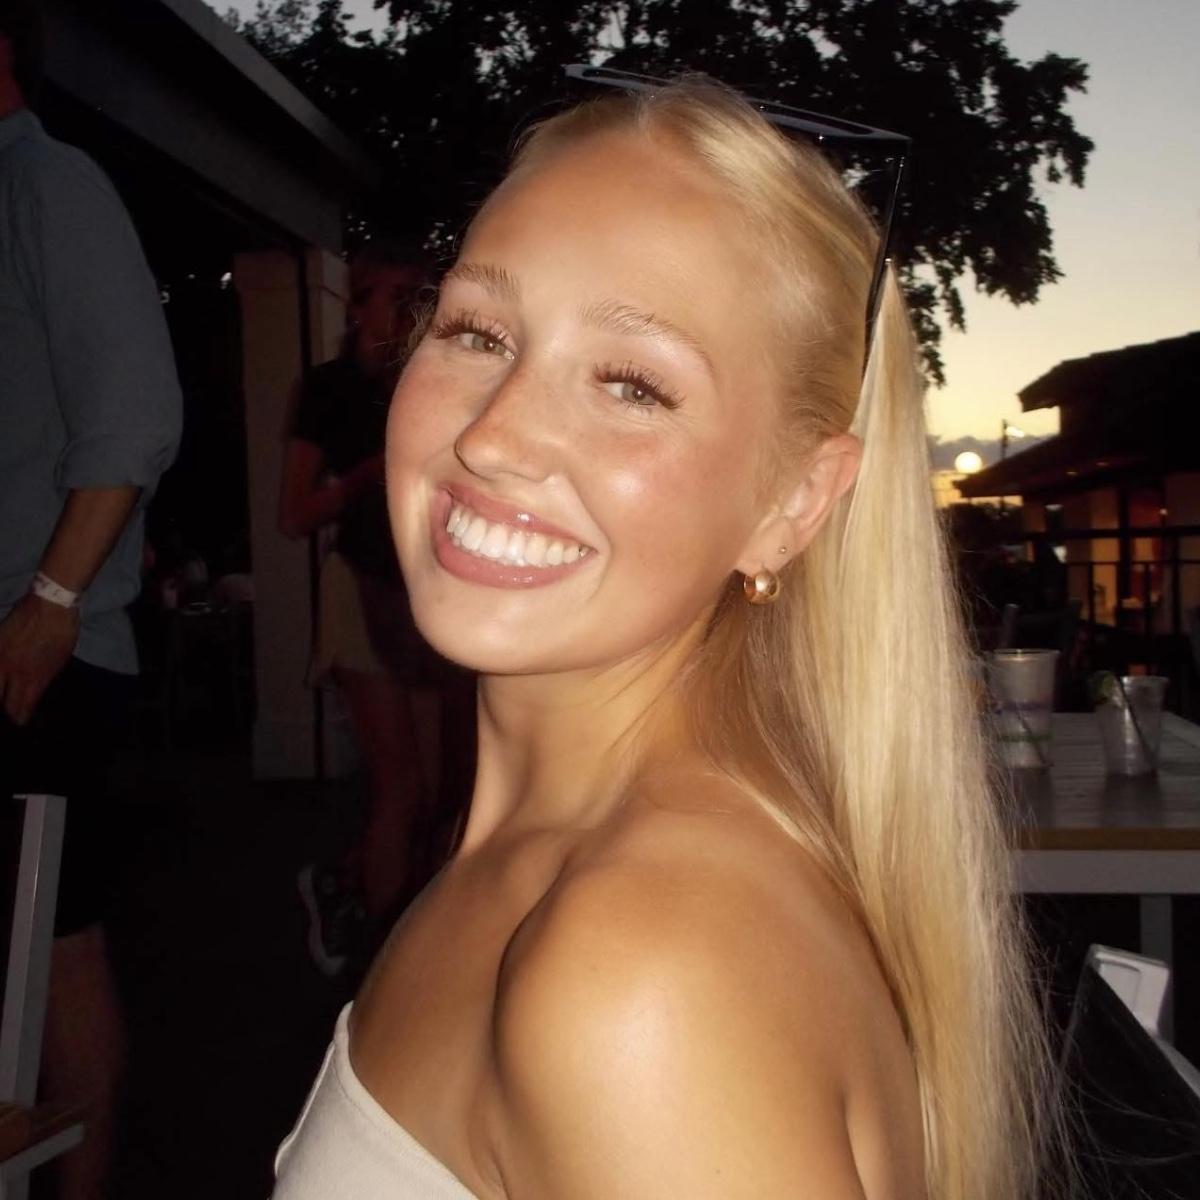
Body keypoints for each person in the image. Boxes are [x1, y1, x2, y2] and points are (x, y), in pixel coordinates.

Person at [273, 77, 1061, 1199]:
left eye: (633, 385)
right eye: (477, 331)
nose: (495, 436)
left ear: (792, 500)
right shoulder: (557, 857)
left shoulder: (641, 971)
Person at [0, 4, 182, 1196]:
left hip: (36, 649)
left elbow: (135, 413)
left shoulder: (48, 185)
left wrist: (53, 600)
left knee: (52, 952)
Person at [279, 242, 449, 973]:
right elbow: (293, 515)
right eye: (394, 295)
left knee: (435, 790)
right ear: (357, 305)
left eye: (419, 296)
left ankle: (341, 882)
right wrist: (364, 477)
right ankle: (384, 976)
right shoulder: (328, 388)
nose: (410, 310)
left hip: (423, 593)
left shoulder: (430, 379)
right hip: (358, 586)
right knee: (400, 786)